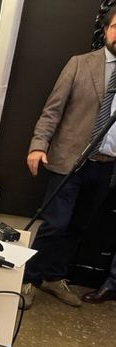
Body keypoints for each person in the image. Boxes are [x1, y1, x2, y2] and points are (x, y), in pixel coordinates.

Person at [21, 7, 116, 309]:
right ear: (106, 30)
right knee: (56, 223)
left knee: (78, 226)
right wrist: (38, 145)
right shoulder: (79, 64)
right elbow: (53, 110)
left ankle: (53, 277)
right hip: (69, 160)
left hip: (106, 165)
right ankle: (28, 279)